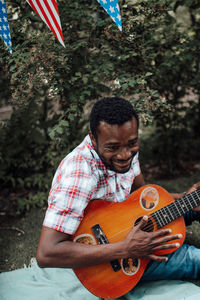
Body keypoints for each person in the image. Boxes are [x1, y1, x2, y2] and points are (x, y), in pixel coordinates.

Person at [36, 97, 200, 287]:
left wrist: (184, 200)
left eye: (132, 143)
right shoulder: (79, 175)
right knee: (196, 260)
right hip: (113, 265)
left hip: (135, 231)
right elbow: (46, 253)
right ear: (93, 138)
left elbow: (140, 198)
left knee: (194, 204)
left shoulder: (127, 148)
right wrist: (125, 249)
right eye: (113, 147)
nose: (124, 155)